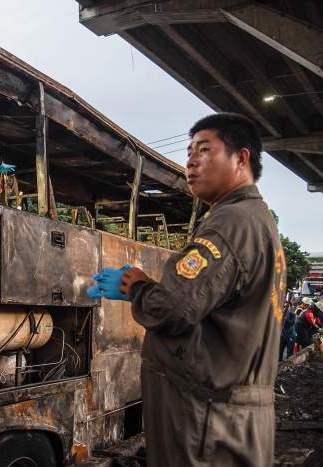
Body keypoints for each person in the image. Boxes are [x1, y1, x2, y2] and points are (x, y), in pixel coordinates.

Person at [90, 113, 286, 466]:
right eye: (189, 151)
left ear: (241, 158)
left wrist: (138, 287)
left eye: (204, 150)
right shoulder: (256, 221)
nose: (191, 162)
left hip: (208, 427)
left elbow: (174, 309)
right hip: (228, 420)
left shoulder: (231, 223)